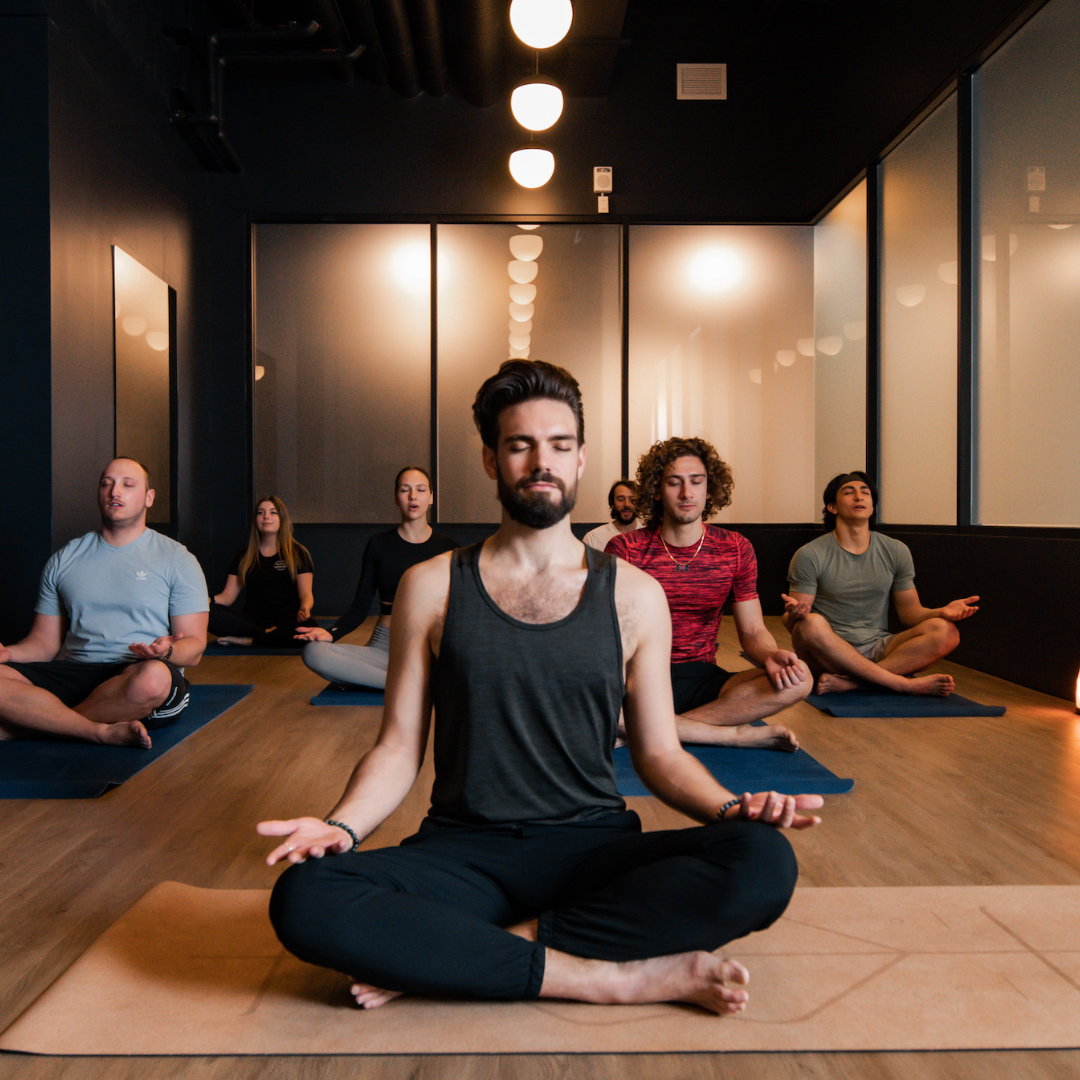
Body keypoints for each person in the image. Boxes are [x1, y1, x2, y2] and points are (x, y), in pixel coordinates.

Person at [259, 360, 822, 1016]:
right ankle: (608, 977)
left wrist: (733, 810)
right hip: (463, 851)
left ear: (581, 459)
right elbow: (398, 747)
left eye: (558, 444)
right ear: (492, 461)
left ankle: (483, 951)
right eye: (520, 444)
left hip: (590, 848)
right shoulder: (431, 585)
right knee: (304, 896)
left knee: (762, 862)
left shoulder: (634, 595)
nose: (541, 461)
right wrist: (341, 828)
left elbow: (660, 755)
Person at [606, 437, 810, 752]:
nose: (687, 493)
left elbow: (754, 631)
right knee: (571, 693)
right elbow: (611, 637)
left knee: (800, 678)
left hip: (702, 678)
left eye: (696, 482)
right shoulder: (626, 549)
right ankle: (722, 733)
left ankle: (654, 730)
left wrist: (770, 655)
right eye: (674, 483)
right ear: (657, 491)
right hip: (637, 679)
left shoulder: (736, 548)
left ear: (709, 488)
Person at [0, 458, 208, 748]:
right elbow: (44, 645)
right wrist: (8, 654)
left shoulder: (178, 560)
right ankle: (95, 731)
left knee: (153, 680)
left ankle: (38, 722)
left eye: (127, 484)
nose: (114, 492)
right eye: (106, 483)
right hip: (72, 671)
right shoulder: (65, 559)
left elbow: (195, 648)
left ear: (148, 497)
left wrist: (167, 649)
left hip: (133, 672)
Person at [783, 471, 978, 696]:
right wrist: (795, 614)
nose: (859, 497)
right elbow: (793, 624)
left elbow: (910, 613)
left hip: (878, 646)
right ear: (832, 507)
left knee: (946, 631)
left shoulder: (895, 550)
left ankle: (855, 682)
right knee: (811, 624)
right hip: (829, 651)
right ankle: (901, 684)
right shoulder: (810, 554)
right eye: (849, 492)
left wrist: (942, 612)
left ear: (873, 506)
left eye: (865, 493)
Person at [297, 467, 456, 689]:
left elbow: (458, 608)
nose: (413, 496)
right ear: (396, 498)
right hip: (384, 647)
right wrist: (331, 633)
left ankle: (387, 680)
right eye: (405, 490)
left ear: (431, 497)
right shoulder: (379, 544)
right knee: (314, 652)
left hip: (428, 648)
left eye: (420, 490)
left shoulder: (448, 548)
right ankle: (415, 686)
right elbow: (361, 606)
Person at [209, 496, 318, 647]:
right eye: (261, 513)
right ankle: (268, 635)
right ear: (256, 520)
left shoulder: (298, 553)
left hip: (286, 620)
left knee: (311, 624)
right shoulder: (244, 555)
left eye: (273, 512)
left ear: (282, 519)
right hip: (251, 620)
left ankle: (249, 640)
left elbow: (306, 595)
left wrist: (305, 608)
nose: (266, 516)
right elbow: (228, 596)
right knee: (205, 612)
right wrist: (207, 600)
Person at [583, 479, 642, 551]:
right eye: (621, 499)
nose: (627, 504)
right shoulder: (593, 539)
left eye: (633, 500)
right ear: (612, 504)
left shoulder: (651, 535)